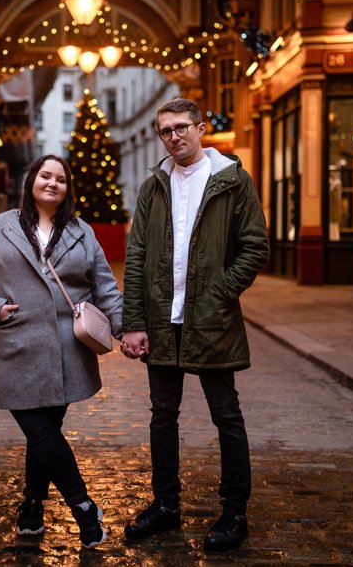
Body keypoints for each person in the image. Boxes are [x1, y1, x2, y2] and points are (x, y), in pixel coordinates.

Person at [120, 97, 268, 551]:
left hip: (211, 318)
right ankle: (165, 504)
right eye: (166, 131)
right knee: (163, 415)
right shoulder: (154, 186)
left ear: (201, 128)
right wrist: (134, 322)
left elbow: (254, 247)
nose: (175, 137)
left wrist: (221, 293)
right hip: (163, 320)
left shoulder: (232, 181)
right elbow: (138, 254)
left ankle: (234, 512)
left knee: (227, 414)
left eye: (182, 127)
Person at [0, 155, 123, 550]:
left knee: (43, 435)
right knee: (41, 430)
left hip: (69, 352)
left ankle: (31, 508)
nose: (52, 183)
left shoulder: (82, 233)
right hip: (16, 346)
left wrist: (127, 331)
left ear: (68, 188)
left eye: (61, 179)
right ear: (31, 180)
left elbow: (105, 288)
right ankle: (84, 509)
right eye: (45, 176)